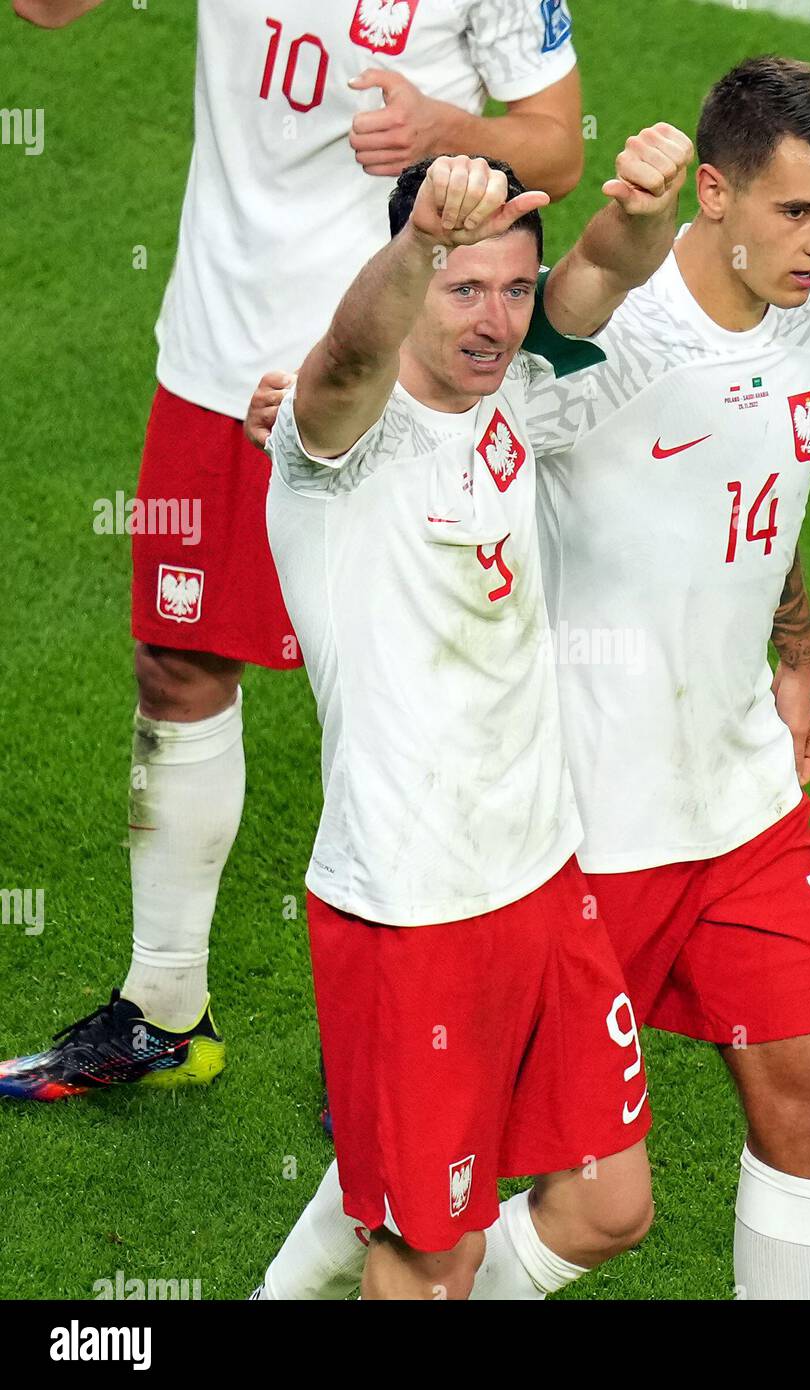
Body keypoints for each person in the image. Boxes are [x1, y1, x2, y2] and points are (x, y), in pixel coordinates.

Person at [252, 55, 810, 1301]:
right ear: (717, 193)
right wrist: (420, 264)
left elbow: (732, 441)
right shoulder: (429, 411)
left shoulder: (783, 318)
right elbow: (376, 358)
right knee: (450, 1211)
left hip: (650, 828)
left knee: (714, 1146)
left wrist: (794, 654)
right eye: (797, 212)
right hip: (511, 857)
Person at [1, 0, 584, 1099]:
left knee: (409, 692)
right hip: (217, 355)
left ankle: (444, 1023)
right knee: (177, 663)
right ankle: (163, 1009)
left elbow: (556, 139)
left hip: (383, 382)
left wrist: (446, 129)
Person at [263, 123, 694, 1298]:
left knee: (612, 1202)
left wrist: (652, 199)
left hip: (541, 880)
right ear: (414, 276)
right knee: (429, 1248)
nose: (494, 320)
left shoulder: (520, 386)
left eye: (512, 289)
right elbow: (346, 360)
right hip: (411, 910)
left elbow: (607, 266)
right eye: (463, 287)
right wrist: (416, 246)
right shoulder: (332, 446)